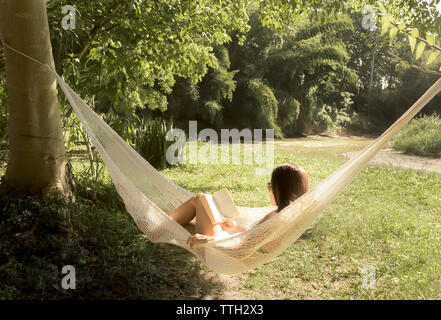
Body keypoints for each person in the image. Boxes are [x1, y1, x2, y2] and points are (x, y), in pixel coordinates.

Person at [164, 162, 309, 248]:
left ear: (280, 189)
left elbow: (245, 246)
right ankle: (165, 221)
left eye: (271, 185)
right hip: (227, 241)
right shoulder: (282, 215)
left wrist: (210, 240)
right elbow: (253, 236)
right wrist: (233, 228)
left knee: (201, 199)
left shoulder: (279, 220)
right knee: (187, 226)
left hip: (223, 250)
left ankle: (163, 220)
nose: (269, 189)